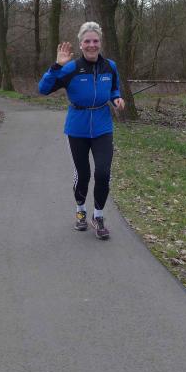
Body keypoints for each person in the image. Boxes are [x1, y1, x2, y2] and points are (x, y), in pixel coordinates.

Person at [38, 21, 125, 240]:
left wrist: (116, 98)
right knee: (83, 174)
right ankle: (80, 211)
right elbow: (43, 89)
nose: (92, 45)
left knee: (103, 172)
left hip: (103, 127)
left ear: (100, 42)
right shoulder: (71, 68)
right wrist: (56, 66)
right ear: (81, 44)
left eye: (95, 41)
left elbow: (114, 87)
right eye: (87, 41)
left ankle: (98, 216)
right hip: (77, 128)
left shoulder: (110, 67)